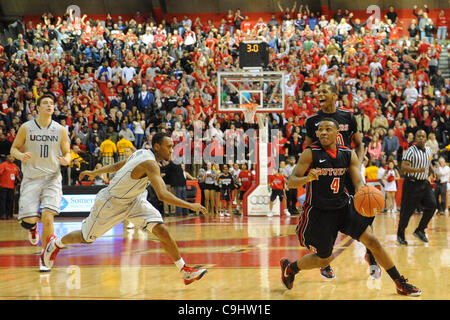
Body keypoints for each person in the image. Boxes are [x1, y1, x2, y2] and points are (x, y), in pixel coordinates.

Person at [41, 132, 208, 285]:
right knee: (86, 237)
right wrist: (190, 205)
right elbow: (163, 194)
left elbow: (119, 164)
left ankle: (184, 270)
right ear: (157, 146)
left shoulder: (141, 152)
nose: (172, 150)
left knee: (161, 229)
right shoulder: (150, 164)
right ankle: (55, 243)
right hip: (112, 203)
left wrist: (95, 171)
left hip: (134, 201)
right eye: (169, 146)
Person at [280, 118, 421, 296]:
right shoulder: (310, 153)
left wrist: (363, 195)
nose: (323, 132)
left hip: (343, 207)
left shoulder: (348, 154)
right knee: (324, 260)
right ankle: (291, 268)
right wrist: (307, 179)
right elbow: (291, 182)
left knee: (373, 241)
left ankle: (399, 283)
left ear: (337, 133)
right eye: (320, 130)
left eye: (327, 129)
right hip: (319, 212)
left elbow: (358, 183)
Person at [304, 82, 380, 280]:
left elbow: (359, 144)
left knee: (368, 208)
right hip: (327, 175)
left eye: (324, 91)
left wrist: (359, 164)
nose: (319, 94)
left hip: (348, 171)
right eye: (317, 92)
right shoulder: (312, 121)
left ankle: (371, 255)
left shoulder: (347, 116)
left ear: (334, 95)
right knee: (327, 219)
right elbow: (307, 150)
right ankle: (325, 261)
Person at [10, 93, 72, 272]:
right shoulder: (26, 127)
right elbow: (13, 148)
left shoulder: (60, 129)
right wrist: (21, 155)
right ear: (37, 108)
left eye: (51, 103)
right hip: (31, 178)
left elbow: (67, 152)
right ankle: (32, 227)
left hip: (52, 177)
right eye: (45, 103)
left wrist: (67, 159)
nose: (49, 105)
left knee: (48, 216)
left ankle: (46, 255)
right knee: (28, 220)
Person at [397, 130, 437, 245]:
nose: (420, 138)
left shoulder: (428, 150)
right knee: (407, 212)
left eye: (423, 136)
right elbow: (404, 167)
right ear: (415, 138)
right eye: (418, 136)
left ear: (426, 139)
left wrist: (432, 170)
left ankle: (420, 230)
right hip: (411, 184)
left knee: (432, 205)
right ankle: (400, 235)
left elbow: (428, 162)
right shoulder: (411, 151)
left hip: (424, 183)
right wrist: (417, 170)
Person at [0, 154, 21, 219]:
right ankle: (3, 214)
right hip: (3, 186)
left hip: (11, 187)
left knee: (11, 201)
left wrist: (21, 182)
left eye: (13, 158)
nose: (11, 159)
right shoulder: (3, 165)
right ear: (7, 158)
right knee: (3, 201)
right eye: (10, 157)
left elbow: (17, 176)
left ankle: (9, 215)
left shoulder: (15, 166)